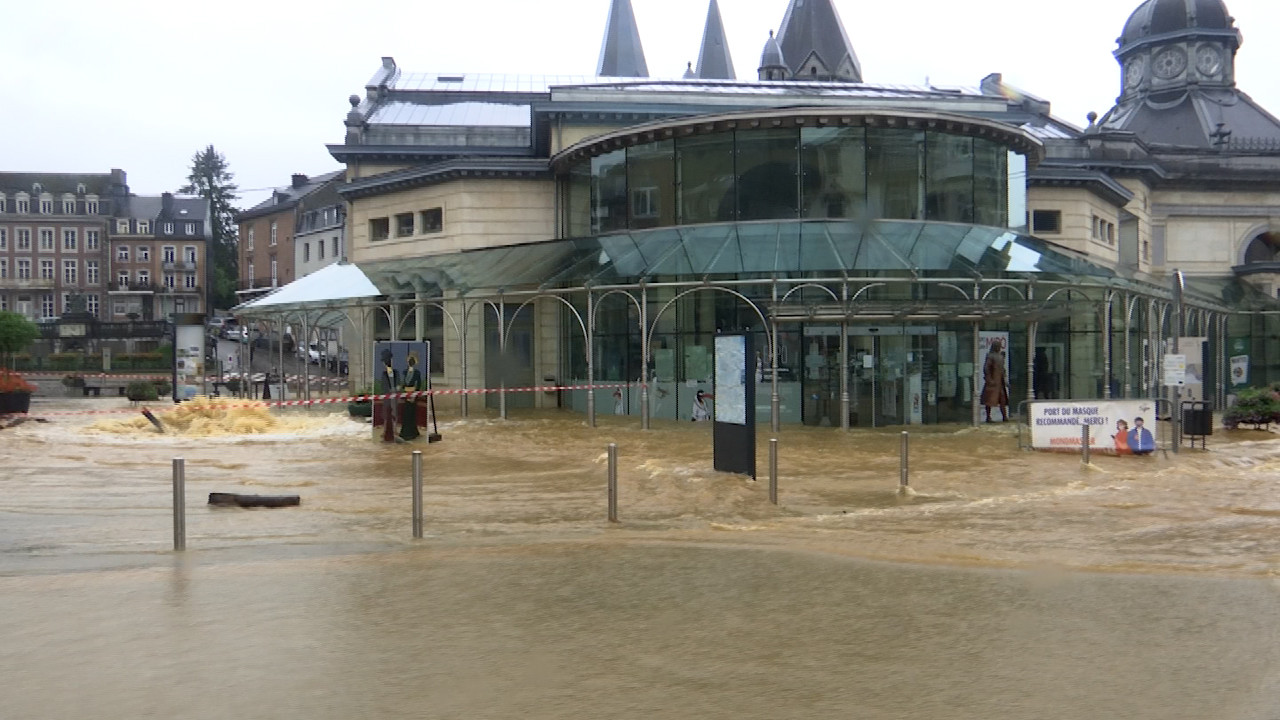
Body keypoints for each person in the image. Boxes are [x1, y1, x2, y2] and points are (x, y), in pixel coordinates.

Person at [981, 339, 1010, 422]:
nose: (999, 347)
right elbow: (986, 368)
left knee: (1002, 400)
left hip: (1000, 382)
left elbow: (1002, 370)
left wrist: (1005, 380)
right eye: (998, 346)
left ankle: (1004, 416)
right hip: (992, 382)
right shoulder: (990, 356)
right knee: (989, 400)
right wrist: (989, 379)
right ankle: (988, 417)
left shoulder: (1000, 356)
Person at [377, 349, 400, 443]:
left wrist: (396, 389)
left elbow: (397, 383)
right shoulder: (384, 373)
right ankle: (386, 430)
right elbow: (384, 386)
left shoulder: (395, 372)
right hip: (387, 396)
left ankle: (394, 430)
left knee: (394, 412)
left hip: (393, 396)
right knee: (386, 413)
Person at [399, 352, 423, 441]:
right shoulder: (405, 372)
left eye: (412, 361)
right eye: (409, 361)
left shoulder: (417, 373)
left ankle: (412, 432)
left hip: (413, 394)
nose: (410, 363)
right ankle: (405, 432)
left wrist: (414, 395)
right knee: (406, 413)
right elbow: (403, 383)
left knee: (412, 413)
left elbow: (419, 384)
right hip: (406, 393)